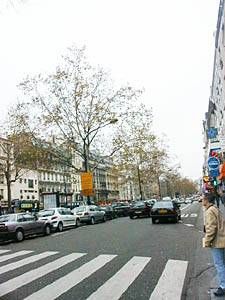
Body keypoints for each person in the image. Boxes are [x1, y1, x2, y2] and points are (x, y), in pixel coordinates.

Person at [202, 192, 225, 297]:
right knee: (222, 264)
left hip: (217, 242)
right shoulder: (215, 209)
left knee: (219, 264)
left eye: (203, 199)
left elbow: (211, 229)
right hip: (222, 239)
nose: (202, 200)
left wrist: (206, 242)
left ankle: (223, 287)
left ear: (207, 200)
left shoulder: (209, 211)